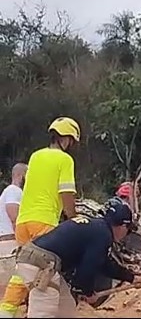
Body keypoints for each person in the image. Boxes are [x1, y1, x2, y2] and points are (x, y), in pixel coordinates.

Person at [0, 117, 80, 318]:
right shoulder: (65, 160)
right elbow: (67, 192)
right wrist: (74, 218)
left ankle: (6, 312)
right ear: (67, 139)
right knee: (48, 277)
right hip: (44, 222)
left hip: (23, 222)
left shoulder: (35, 156)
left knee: (24, 271)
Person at [12, 202, 141, 317]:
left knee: (66, 308)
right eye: (128, 230)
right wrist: (88, 292)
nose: (126, 235)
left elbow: (104, 264)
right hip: (43, 264)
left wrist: (130, 278)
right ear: (122, 226)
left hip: (37, 259)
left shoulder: (97, 228)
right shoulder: (104, 235)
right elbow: (87, 269)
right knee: (45, 309)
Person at [0, 163, 28, 254]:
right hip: (9, 240)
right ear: (20, 176)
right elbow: (14, 217)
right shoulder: (14, 190)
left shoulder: (12, 191)